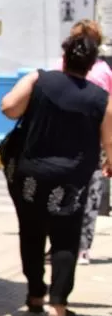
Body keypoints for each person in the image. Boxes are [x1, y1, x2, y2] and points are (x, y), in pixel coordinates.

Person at [1, 30, 112, 316]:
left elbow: (9, 108)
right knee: (65, 238)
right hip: (72, 181)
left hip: (31, 176)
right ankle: (59, 307)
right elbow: (109, 142)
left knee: (31, 231)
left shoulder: (40, 79)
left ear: (64, 57)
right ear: (91, 65)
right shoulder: (101, 98)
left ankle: (35, 295)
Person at [47, 19, 112, 265]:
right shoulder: (104, 71)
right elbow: (110, 112)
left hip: (58, 141)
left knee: (57, 195)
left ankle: (57, 246)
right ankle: (82, 248)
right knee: (90, 196)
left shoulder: (56, 67)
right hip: (91, 143)